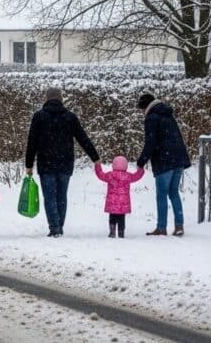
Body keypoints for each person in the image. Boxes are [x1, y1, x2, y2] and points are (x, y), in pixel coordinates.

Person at [24, 87, 100, 237]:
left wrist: (29, 164)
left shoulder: (39, 117)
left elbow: (31, 142)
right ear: (61, 99)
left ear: (46, 99)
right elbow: (82, 138)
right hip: (65, 163)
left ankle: (55, 228)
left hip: (46, 164)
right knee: (61, 196)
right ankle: (59, 226)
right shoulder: (70, 117)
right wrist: (95, 157)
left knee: (50, 197)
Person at [136, 93, 191, 237]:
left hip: (164, 160)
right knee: (173, 193)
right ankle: (179, 226)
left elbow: (151, 142)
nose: (142, 112)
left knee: (161, 195)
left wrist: (141, 161)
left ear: (145, 106)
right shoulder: (167, 114)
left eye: (141, 109)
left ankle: (161, 227)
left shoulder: (152, 118)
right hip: (178, 159)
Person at [94, 156, 144, 238]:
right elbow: (137, 176)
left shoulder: (110, 175)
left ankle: (112, 231)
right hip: (123, 204)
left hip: (112, 203)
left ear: (113, 165)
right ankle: (121, 232)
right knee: (121, 218)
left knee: (112, 217)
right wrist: (140, 169)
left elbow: (100, 175)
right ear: (126, 166)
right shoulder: (127, 176)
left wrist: (97, 165)